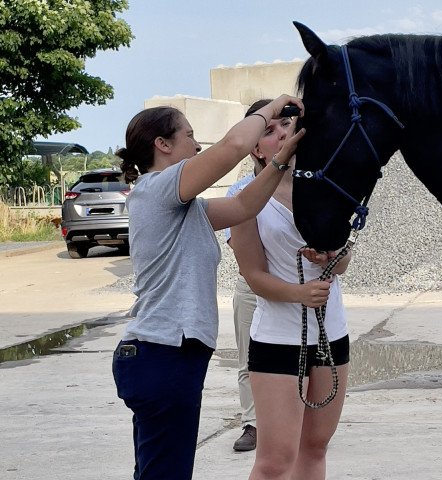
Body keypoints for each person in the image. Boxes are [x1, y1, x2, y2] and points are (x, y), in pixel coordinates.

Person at [111, 94, 305, 480]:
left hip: (164, 355)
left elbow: (244, 206)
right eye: (189, 135)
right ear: (162, 145)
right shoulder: (159, 189)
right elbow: (234, 146)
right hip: (163, 354)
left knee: (159, 471)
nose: (197, 145)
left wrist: (281, 159)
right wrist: (271, 109)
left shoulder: (184, 206)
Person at [230, 103, 352, 480]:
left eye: (287, 123)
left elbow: (343, 260)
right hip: (277, 338)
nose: (282, 132)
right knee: (275, 460)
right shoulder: (244, 197)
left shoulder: (327, 186)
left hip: (332, 334)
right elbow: (252, 275)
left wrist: (332, 255)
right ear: (256, 149)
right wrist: (299, 293)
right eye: (269, 130)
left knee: (315, 448)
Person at [224, 100, 271, 452]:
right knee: (249, 360)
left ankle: (296, 418)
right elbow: (238, 247)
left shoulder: (304, 187)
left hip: (296, 286)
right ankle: (252, 424)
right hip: (252, 287)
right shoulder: (237, 192)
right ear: (255, 145)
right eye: (268, 130)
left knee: (303, 356)